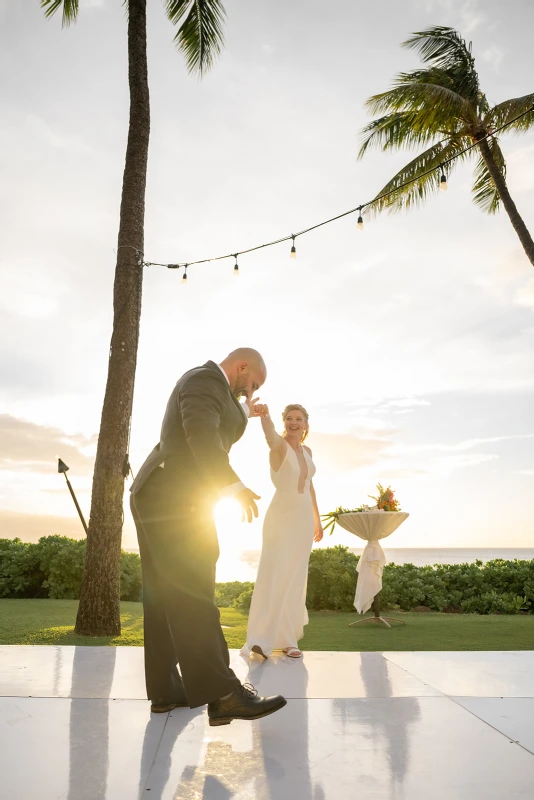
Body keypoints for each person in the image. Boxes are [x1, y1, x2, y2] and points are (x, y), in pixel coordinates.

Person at [130, 348, 286, 726]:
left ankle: (167, 691)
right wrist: (234, 486)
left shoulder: (216, 390)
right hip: (173, 496)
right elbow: (201, 435)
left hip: (163, 494)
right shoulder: (204, 380)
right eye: (253, 383)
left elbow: (217, 424)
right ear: (242, 366)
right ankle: (223, 694)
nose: (252, 390)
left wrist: (246, 410)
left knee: (166, 595)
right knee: (193, 589)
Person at [242, 403, 323, 660]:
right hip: (281, 517)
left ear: (306, 424)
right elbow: (269, 436)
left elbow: (309, 487)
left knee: (295, 579)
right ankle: (260, 640)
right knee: (274, 575)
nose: (294, 423)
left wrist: (317, 520)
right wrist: (264, 417)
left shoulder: (307, 451)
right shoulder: (279, 446)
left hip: (302, 520)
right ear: (284, 422)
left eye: (298, 419)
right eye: (289, 418)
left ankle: (289, 641)